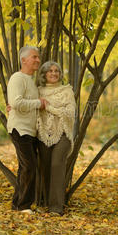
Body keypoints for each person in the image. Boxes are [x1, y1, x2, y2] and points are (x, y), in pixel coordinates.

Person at [7, 46, 47, 212]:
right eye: (34, 57)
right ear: (24, 60)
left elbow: (18, 104)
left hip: (30, 131)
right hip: (19, 129)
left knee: (26, 167)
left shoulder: (30, 81)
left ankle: (18, 204)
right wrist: (39, 103)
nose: (37, 60)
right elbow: (16, 103)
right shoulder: (18, 78)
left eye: (38, 57)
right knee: (29, 166)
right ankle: (23, 206)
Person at [36, 61, 76, 215]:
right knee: (45, 167)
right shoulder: (38, 91)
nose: (54, 73)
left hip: (63, 133)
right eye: (50, 71)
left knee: (57, 165)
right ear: (44, 74)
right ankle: (46, 203)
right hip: (43, 133)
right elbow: (31, 107)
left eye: (56, 71)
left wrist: (49, 107)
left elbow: (70, 113)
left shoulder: (67, 91)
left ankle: (56, 207)